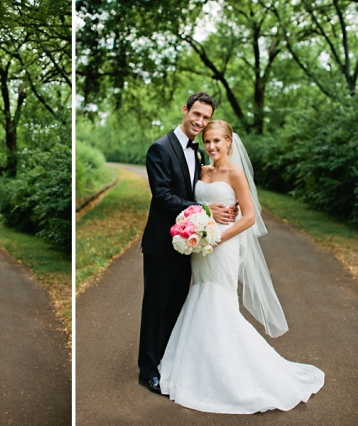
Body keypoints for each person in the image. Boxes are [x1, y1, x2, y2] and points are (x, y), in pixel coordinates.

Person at [158, 120, 324, 413]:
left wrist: (219, 236)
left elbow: (249, 216)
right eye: (207, 141)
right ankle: (199, 365)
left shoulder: (234, 174)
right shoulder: (201, 170)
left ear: (229, 142)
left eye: (217, 142)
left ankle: (234, 372)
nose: (211, 147)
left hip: (224, 246)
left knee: (221, 301)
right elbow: (194, 205)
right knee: (200, 295)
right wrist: (198, 225)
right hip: (202, 247)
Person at [139, 93, 237, 392]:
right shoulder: (160, 148)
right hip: (161, 243)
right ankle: (148, 369)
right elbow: (163, 196)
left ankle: (167, 361)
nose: (199, 122)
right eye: (196, 114)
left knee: (177, 306)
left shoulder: (197, 153)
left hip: (191, 244)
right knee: (156, 306)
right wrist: (207, 211)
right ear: (185, 110)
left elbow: (200, 191)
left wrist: (219, 213)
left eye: (205, 118)